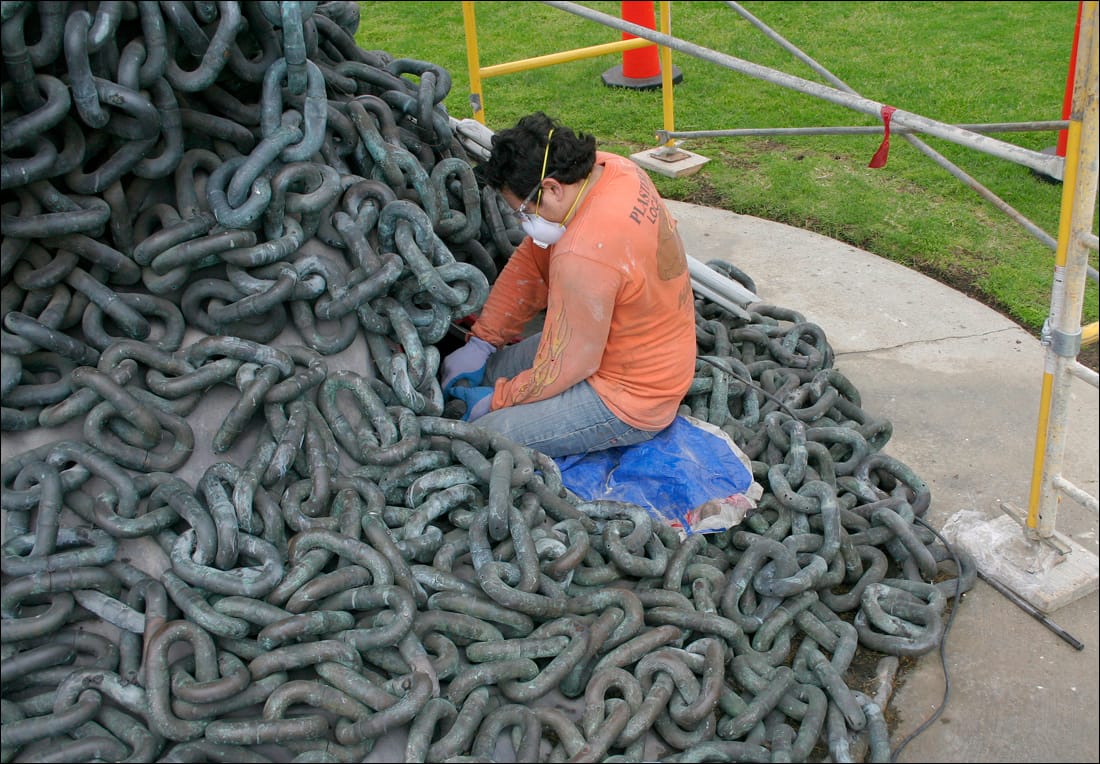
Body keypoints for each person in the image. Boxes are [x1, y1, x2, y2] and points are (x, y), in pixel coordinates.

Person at [440, 112, 697, 458]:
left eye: (522, 212)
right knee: (491, 370)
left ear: (552, 188)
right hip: (624, 346)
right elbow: (532, 259)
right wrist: (485, 340)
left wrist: (500, 400)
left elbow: (569, 366)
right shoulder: (614, 170)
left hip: (633, 397)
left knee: (483, 436)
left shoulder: (584, 253)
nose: (523, 222)